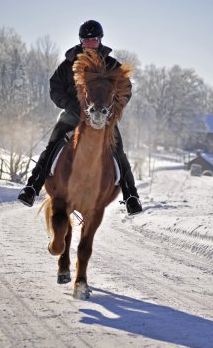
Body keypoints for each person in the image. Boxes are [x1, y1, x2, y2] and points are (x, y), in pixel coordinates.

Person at [17, 20, 142, 215]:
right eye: (86, 41)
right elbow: (55, 88)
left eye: (93, 41)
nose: (90, 44)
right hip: (73, 114)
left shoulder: (111, 65)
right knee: (53, 144)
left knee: (118, 150)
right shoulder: (69, 63)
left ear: (100, 40)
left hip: (103, 117)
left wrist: (113, 109)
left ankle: (131, 196)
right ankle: (32, 187)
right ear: (81, 41)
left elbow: (126, 89)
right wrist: (72, 107)